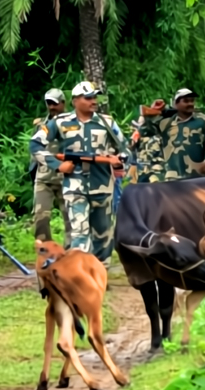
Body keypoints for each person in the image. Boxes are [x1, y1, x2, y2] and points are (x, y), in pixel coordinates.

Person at [29, 81, 128, 269]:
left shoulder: (107, 122)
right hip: (74, 187)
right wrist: (57, 165)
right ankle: (79, 275)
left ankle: (100, 273)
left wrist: (119, 161)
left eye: (94, 97)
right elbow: (35, 145)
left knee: (103, 235)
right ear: (75, 101)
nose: (93, 101)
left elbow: (124, 148)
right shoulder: (60, 122)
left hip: (102, 185)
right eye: (88, 97)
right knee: (79, 233)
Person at [140, 88, 205, 180]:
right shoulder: (165, 123)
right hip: (172, 178)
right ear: (176, 104)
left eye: (192, 101)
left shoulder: (203, 121)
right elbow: (144, 131)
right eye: (185, 101)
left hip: (197, 177)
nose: (190, 104)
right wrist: (153, 112)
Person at [29, 88, 72, 249]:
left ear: (63, 103)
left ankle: (69, 255)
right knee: (40, 218)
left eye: (55, 103)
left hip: (66, 178)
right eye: (49, 103)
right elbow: (34, 149)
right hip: (44, 178)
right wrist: (33, 172)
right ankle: (45, 253)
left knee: (71, 219)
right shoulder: (41, 124)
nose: (52, 107)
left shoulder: (72, 124)